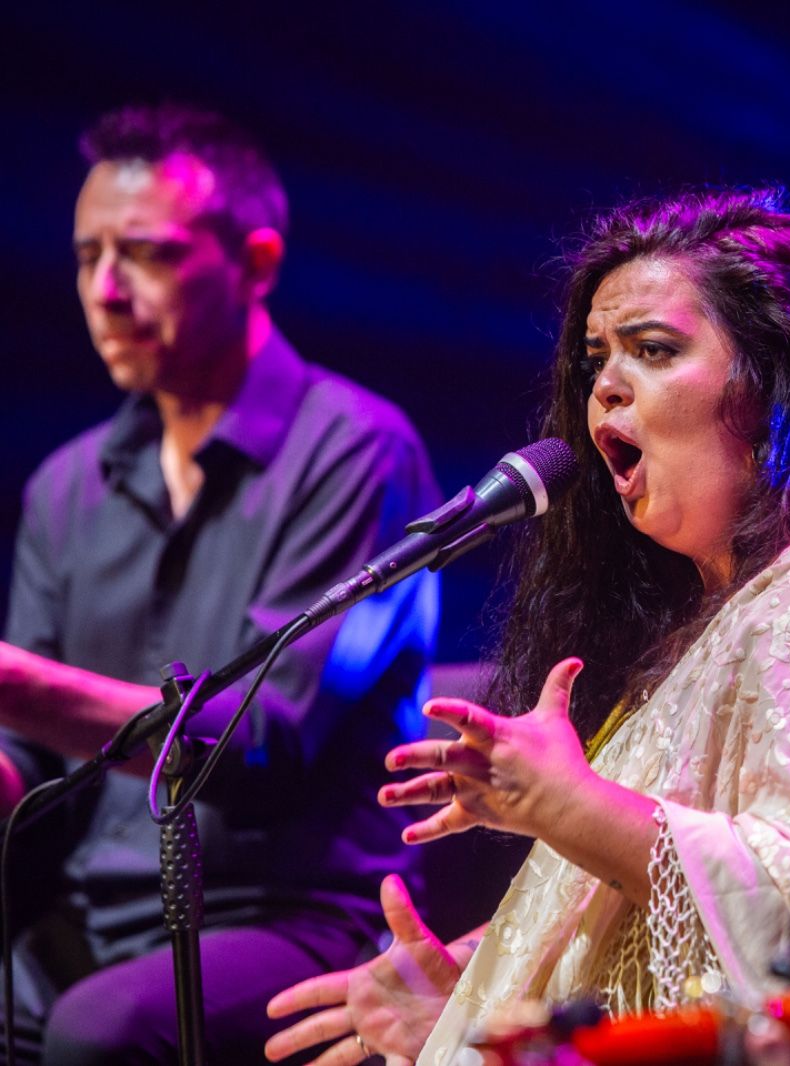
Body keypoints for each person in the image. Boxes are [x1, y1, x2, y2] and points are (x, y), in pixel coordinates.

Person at [264, 187, 790, 1064]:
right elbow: (670, 947)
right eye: (596, 361)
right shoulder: (742, 607)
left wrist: (568, 806)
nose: (605, 389)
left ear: (777, 380)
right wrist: (475, 998)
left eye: (653, 350)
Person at [0, 103, 440, 1064]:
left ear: (256, 263)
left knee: (98, 1033)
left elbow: (262, 743)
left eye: (146, 255)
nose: (105, 292)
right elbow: (25, 762)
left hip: (294, 916)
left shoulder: (356, 449)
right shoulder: (67, 485)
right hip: (96, 915)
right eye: (87, 257)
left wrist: (13, 682)